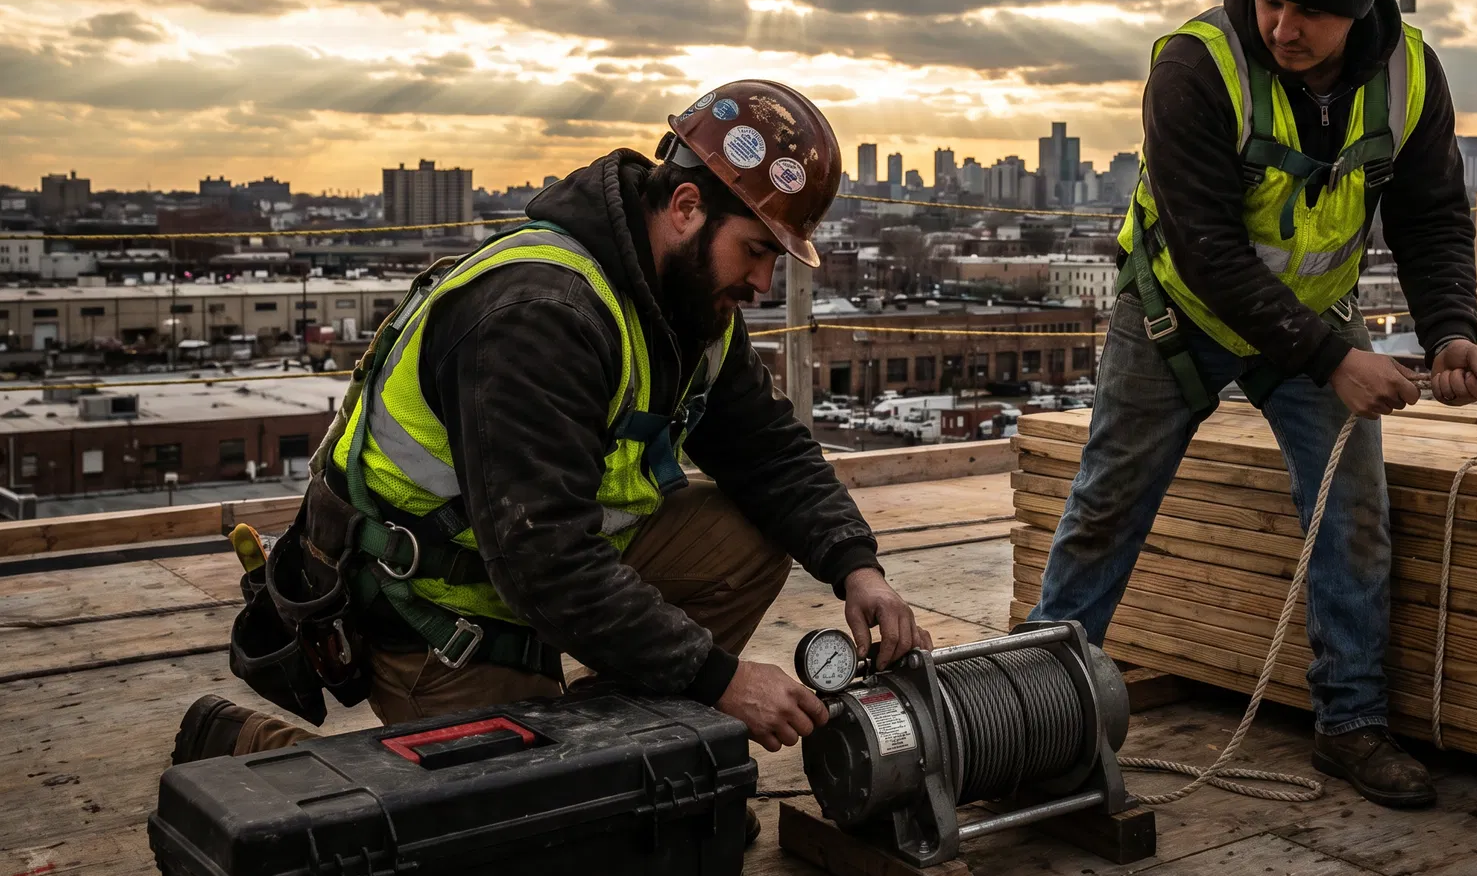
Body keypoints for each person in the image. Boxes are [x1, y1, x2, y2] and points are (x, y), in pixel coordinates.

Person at [176, 82, 931, 829]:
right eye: (758, 250)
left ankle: (617, 761)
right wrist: (719, 680)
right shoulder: (538, 314)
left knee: (746, 540)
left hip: (542, 568)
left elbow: (768, 451)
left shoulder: (690, 305)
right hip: (435, 605)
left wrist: (856, 567)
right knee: (515, 840)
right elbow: (545, 560)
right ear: (685, 207)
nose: (764, 283)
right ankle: (255, 750)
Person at [1029, 0, 1477, 809]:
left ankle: (1351, 723)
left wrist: (1451, 329)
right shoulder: (1196, 68)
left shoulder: (1410, 75)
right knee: (1106, 508)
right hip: (1179, 317)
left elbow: (1431, 217)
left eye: (1310, 9)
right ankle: (1035, 716)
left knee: (1354, 514)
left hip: (1309, 323)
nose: (1283, 26)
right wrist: (1335, 360)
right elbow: (1209, 251)